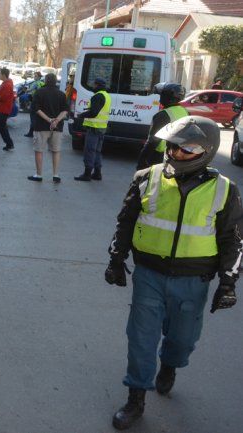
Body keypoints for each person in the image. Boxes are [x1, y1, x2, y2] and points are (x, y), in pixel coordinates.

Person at [105, 115, 241, 430]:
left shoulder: (225, 190)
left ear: (207, 151)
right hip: (149, 275)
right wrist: (115, 259)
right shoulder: (147, 177)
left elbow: (233, 240)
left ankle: (170, 365)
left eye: (186, 149)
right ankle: (136, 397)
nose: (176, 153)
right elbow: (125, 222)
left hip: (194, 281)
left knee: (183, 340)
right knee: (140, 338)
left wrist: (228, 283)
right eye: (173, 146)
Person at [136, 83, 188, 170]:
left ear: (168, 97)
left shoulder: (163, 115)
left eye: (162, 95)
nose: (160, 98)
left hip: (160, 156)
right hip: (178, 153)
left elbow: (152, 141)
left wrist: (141, 161)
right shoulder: (185, 111)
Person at [27, 74, 67, 183]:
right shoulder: (61, 94)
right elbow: (65, 110)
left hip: (41, 126)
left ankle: (39, 175)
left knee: (39, 150)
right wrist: (56, 121)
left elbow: (37, 109)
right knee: (56, 151)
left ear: (45, 80)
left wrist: (49, 120)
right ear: (55, 81)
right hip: (57, 127)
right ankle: (56, 175)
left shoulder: (39, 92)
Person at [74, 77, 110, 181]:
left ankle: (87, 174)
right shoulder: (106, 95)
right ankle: (97, 173)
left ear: (98, 85)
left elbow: (94, 113)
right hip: (101, 128)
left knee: (89, 150)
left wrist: (81, 115)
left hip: (94, 128)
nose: (93, 86)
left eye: (94, 84)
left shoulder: (97, 96)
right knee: (97, 151)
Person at [24, 71, 45, 137]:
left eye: (35, 76)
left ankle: (31, 133)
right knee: (38, 117)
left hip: (34, 101)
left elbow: (29, 90)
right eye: (34, 76)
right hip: (41, 102)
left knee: (33, 117)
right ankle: (38, 132)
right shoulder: (42, 83)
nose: (34, 77)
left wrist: (26, 90)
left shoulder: (35, 83)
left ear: (38, 77)